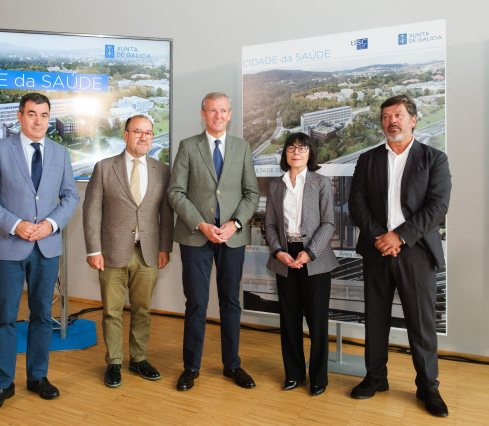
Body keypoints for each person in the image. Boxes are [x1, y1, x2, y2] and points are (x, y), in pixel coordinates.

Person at [0, 93, 80, 412]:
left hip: (47, 248)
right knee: (4, 318)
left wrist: (51, 224)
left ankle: (38, 377)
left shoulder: (61, 153)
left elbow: (71, 197)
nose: (38, 121)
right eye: (32, 114)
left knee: (42, 317)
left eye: (44, 115)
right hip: (8, 247)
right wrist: (15, 224)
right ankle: (2, 385)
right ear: (19, 117)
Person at [348, 95, 452, 417]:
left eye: (398, 115)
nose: (391, 121)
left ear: (413, 120)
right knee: (375, 320)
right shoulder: (368, 160)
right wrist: (381, 237)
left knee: (421, 325)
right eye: (386, 117)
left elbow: (437, 207)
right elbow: (357, 205)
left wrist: (400, 236)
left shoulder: (434, 159)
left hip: (417, 252)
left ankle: (427, 387)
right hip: (377, 251)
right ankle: (376, 378)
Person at [167, 92, 260, 391]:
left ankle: (232, 365)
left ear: (229, 114)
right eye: (212, 111)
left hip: (231, 238)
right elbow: (175, 192)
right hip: (196, 236)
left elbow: (252, 194)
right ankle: (190, 367)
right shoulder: (188, 146)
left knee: (231, 303)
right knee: (196, 303)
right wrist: (201, 224)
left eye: (223, 111)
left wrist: (234, 224)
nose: (218, 116)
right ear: (203, 113)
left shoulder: (242, 147)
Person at [83, 115, 174, 388]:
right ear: (125, 135)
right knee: (111, 311)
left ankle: (138, 359)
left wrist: (165, 248)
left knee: (142, 310)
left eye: (148, 133)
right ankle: (113, 363)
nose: (144, 137)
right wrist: (93, 250)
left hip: (147, 253)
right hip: (111, 252)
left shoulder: (162, 170)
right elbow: (91, 211)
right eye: (138, 132)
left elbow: (166, 214)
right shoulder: (103, 168)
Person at [264, 132, 338, 396]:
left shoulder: (321, 183)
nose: (296, 152)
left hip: (314, 257)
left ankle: (318, 377)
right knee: (290, 320)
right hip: (285, 256)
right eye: (291, 148)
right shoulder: (276, 186)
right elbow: (270, 224)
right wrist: (277, 251)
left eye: (302, 147)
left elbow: (329, 222)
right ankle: (293, 374)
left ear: (310, 153)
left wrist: (310, 252)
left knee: (317, 321)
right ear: (285, 153)